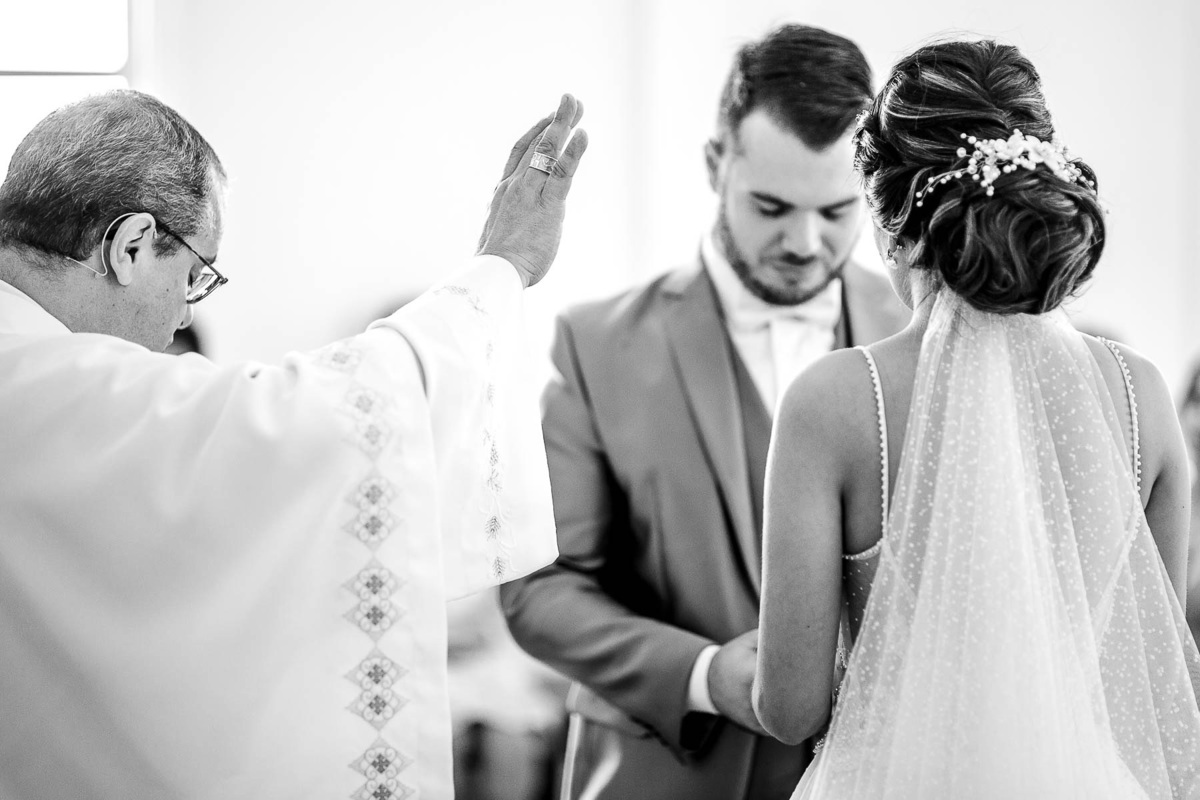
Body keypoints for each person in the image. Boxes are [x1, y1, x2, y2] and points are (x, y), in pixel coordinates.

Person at [0, 88, 587, 798]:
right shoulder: (64, 385)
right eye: (195, 275)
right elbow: (315, 420)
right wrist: (504, 266)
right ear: (128, 246)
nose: (182, 316)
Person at [753, 39, 1200, 798]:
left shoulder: (833, 401)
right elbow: (1155, 680)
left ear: (887, 218)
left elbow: (790, 709)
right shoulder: (1142, 394)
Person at [500, 24, 908, 800]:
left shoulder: (919, 340)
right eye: (771, 206)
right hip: (660, 774)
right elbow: (538, 592)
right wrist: (702, 675)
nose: (802, 240)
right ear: (716, 164)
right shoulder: (595, 346)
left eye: (835, 212)